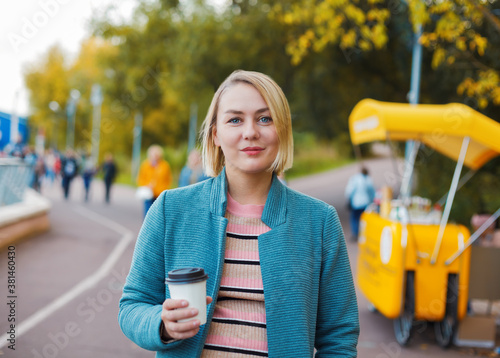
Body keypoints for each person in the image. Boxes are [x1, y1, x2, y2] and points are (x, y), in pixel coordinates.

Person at [119, 70, 359, 357]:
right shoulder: (171, 209)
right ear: (216, 134)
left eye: (265, 118)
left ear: (282, 129)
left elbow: (339, 337)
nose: (250, 132)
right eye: (235, 119)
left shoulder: (319, 222)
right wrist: (161, 324)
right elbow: (133, 305)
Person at [137, 144, 172, 217]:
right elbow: (140, 178)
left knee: (158, 214)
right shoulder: (145, 165)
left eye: (156, 155)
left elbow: (168, 180)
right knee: (147, 213)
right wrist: (147, 185)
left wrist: (164, 189)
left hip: (160, 194)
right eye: (153, 154)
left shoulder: (164, 166)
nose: (154, 157)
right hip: (148, 193)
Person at [345, 166, 375, 241]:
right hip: (365, 202)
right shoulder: (368, 180)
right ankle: (363, 233)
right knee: (363, 219)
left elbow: (350, 190)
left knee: (354, 218)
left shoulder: (354, 179)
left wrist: (348, 199)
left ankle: (355, 233)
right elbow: (372, 192)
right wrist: (372, 200)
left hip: (356, 202)